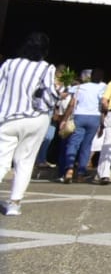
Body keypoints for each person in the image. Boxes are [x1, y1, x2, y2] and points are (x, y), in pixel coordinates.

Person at [1, 33, 61, 216]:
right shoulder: (46, 68)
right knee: (25, 161)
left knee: (2, 159)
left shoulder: (9, 64)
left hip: (8, 117)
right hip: (35, 119)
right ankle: (14, 203)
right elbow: (50, 96)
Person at [60, 68, 106, 182]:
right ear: (101, 78)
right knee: (87, 145)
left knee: (73, 143)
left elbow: (71, 104)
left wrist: (64, 120)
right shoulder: (104, 88)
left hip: (79, 116)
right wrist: (102, 124)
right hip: (94, 117)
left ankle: (69, 169)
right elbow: (104, 106)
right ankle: (81, 173)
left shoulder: (80, 87)